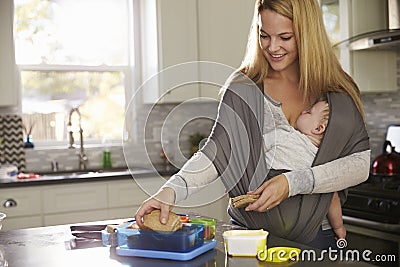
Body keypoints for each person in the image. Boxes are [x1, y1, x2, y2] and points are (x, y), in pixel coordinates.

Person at [135, 0, 370, 249]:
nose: (273, 47)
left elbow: (359, 164)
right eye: (264, 35)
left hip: (318, 238)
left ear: (307, 33)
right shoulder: (243, 88)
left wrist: (292, 183)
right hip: (247, 237)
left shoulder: (336, 91)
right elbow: (216, 154)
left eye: (285, 37)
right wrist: (171, 191)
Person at [264, 99, 346, 240]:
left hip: (270, 216)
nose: (302, 111)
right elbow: (332, 199)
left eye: (308, 112)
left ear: (318, 129)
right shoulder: (325, 163)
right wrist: (338, 226)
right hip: (300, 227)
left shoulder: (285, 134)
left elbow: (252, 151)